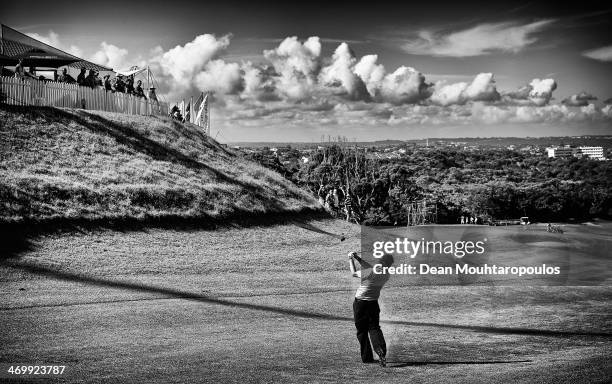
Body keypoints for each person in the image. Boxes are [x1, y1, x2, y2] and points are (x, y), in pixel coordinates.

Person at [348, 251, 393, 367]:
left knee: (361, 331)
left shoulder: (369, 272)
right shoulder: (386, 274)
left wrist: (350, 259)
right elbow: (370, 268)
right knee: (374, 328)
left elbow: (353, 273)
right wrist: (358, 258)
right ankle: (380, 352)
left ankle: (367, 358)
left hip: (360, 304)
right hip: (373, 304)